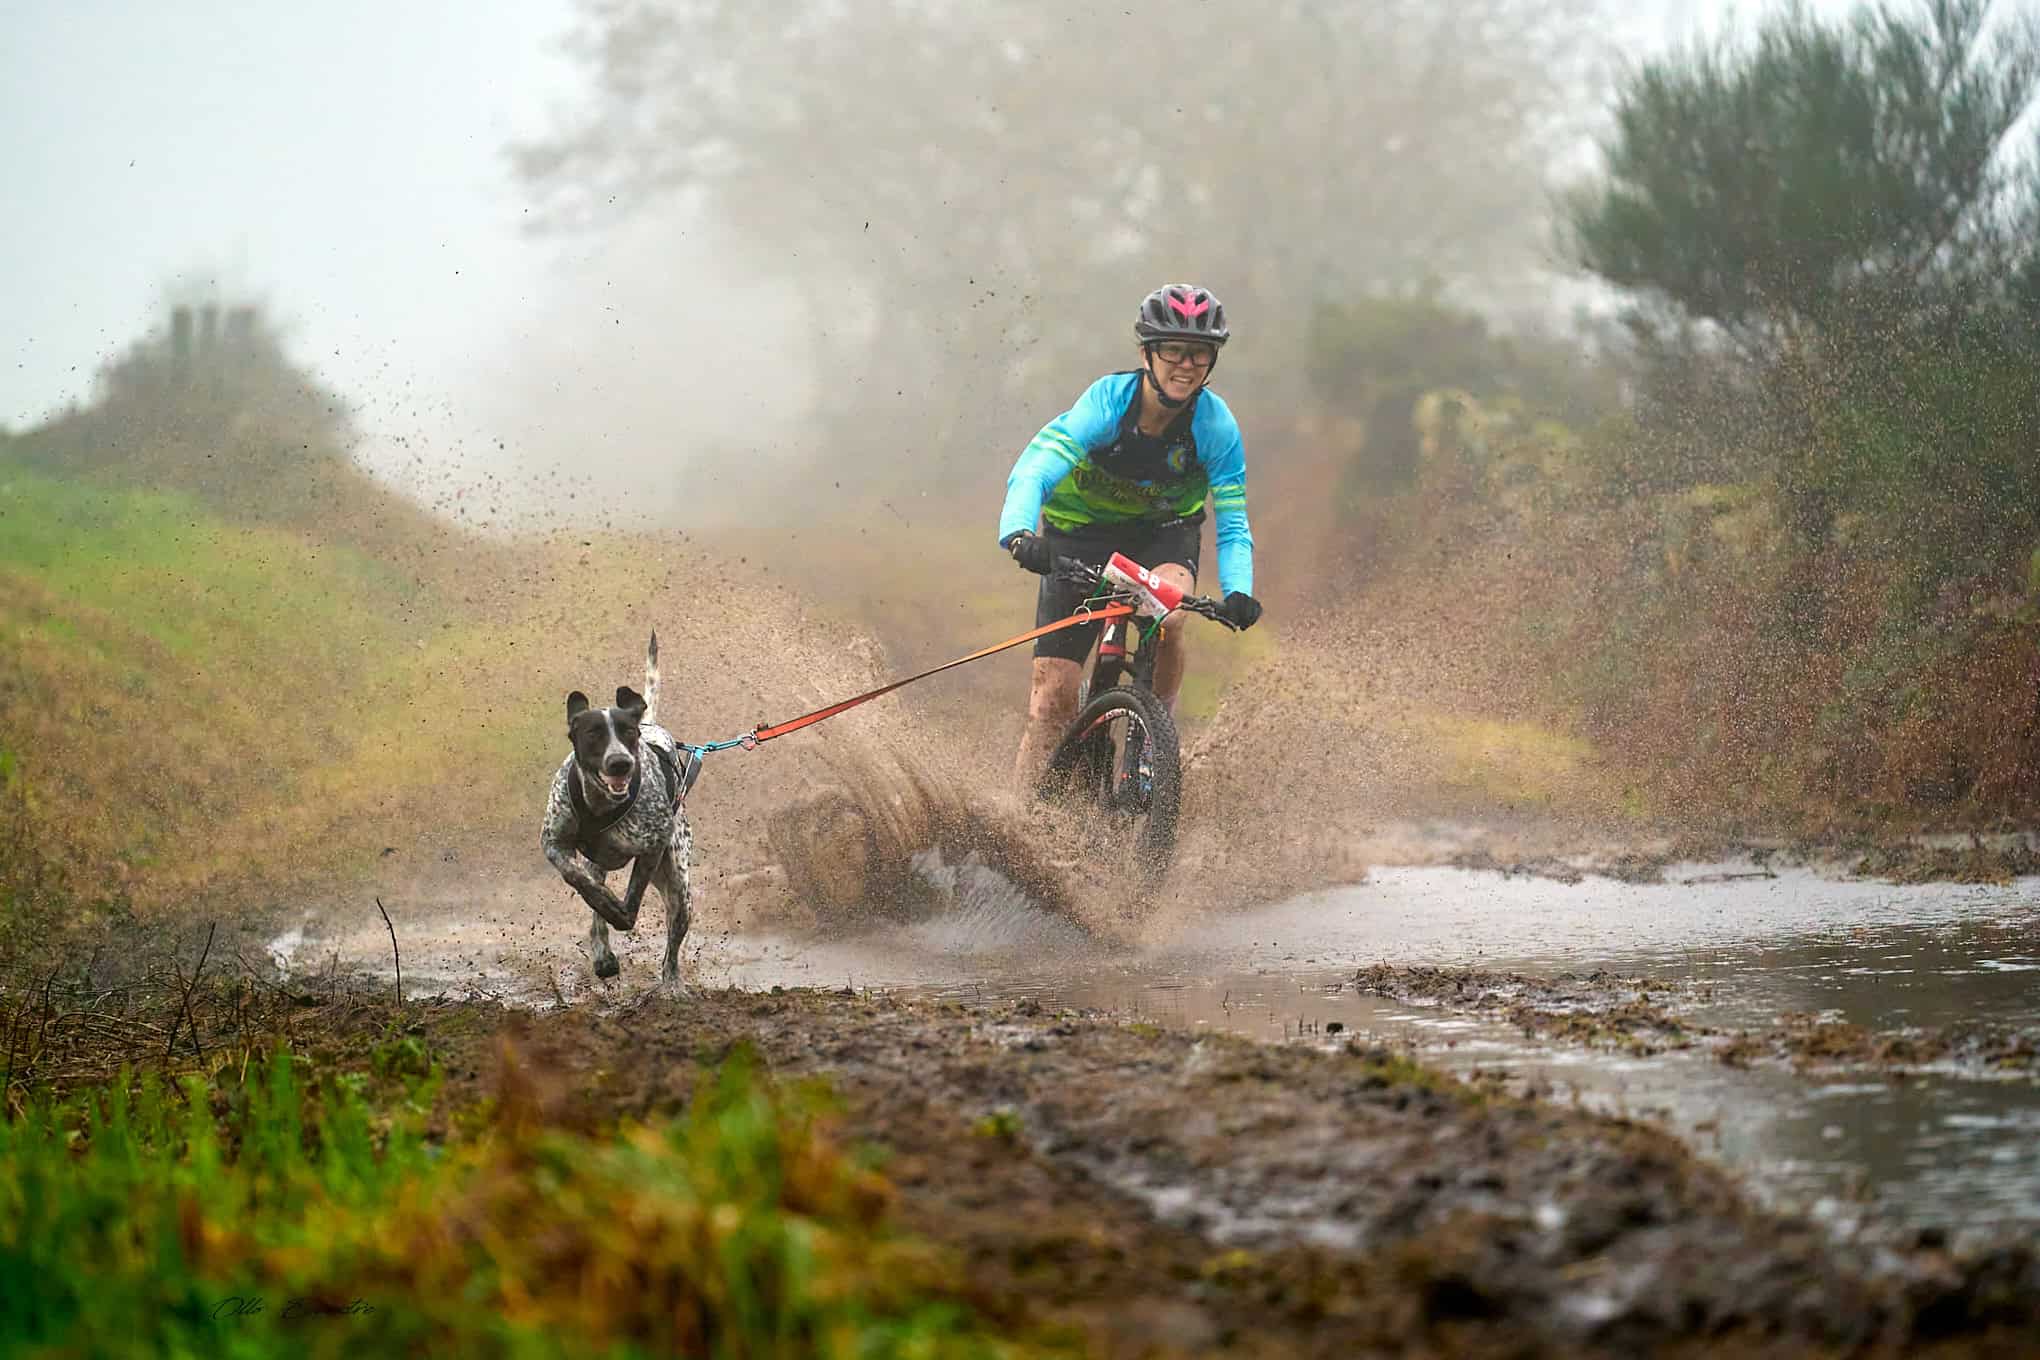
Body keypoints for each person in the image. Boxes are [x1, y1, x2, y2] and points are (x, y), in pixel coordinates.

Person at [997, 282, 1262, 790]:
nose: (1186, 365)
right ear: (1146, 353)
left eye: (1200, 354)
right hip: (1078, 534)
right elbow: (1034, 471)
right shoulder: (1105, 406)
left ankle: (1153, 738)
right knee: (1052, 700)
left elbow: (1232, 522)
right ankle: (1019, 816)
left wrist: (1239, 592)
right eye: (1173, 351)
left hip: (1162, 535)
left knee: (1173, 614)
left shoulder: (1216, 428)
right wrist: (1019, 535)